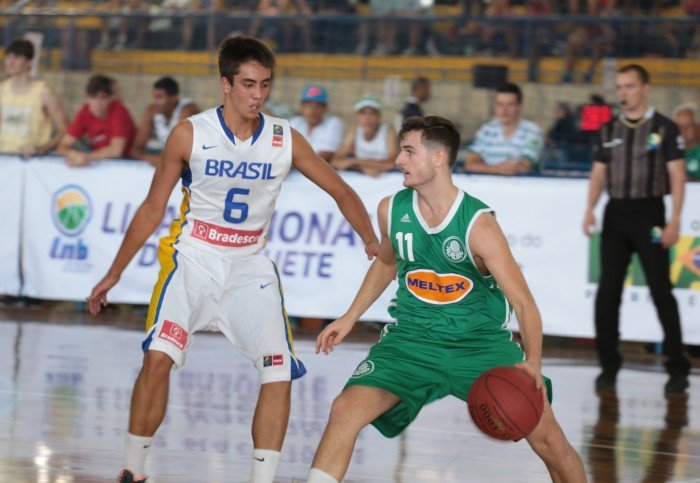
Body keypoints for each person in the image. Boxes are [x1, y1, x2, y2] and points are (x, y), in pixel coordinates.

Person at [86, 35, 379, 483]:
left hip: (249, 264)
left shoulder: (284, 137)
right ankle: (133, 469)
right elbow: (151, 209)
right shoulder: (190, 133)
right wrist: (113, 273)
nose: (257, 94)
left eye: (264, 84)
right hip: (194, 257)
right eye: (247, 84)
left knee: (279, 369)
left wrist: (370, 239)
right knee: (158, 357)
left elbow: (340, 189)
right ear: (226, 84)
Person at [306, 115, 586, 483]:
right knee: (344, 409)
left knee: (551, 442)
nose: (398, 161)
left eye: (408, 151)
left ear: (438, 158)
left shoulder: (478, 224)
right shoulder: (392, 208)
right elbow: (387, 262)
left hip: (478, 346)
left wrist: (532, 363)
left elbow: (524, 305)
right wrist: (349, 316)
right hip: (411, 342)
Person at [582, 64, 690, 394]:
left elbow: (677, 175)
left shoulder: (665, 128)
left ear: (645, 88)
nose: (623, 93)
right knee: (608, 292)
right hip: (616, 213)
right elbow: (599, 174)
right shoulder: (608, 129)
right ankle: (608, 365)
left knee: (660, 289)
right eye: (619, 87)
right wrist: (589, 208)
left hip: (651, 214)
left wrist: (674, 220)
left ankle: (677, 366)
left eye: (629, 86)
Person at [0, 38, 68, 156]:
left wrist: (40, 149)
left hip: (32, 163)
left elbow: (65, 130)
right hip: (4, 160)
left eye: (16, 58)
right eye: (8, 57)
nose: (10, 62)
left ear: (29, 62)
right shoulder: (2, 89)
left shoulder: (44, 92)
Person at [463, 83, 543, 175]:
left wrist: (484, 167)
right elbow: (469, 164)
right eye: (500, 104)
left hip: (522, 187)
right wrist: (497, 169)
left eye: (510, 104)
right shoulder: (486, 130)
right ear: (495, 106)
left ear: (520, 106)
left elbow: (524, 167)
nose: (504, 110)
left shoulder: (532, 130)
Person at [58, 74, 136, 166]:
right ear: (87, 99)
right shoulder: (84, 112)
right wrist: (72, 154)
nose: (98, 103)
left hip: (127, 164)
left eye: (103, 98)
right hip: (101, 163)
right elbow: (63, 146)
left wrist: (85, 157)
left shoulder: (119, 111)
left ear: (110, 99)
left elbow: (116, 151)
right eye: (93, 97)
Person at [131, 76, 200, 165]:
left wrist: (157, 159)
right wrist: (150, 158)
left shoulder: (187, 110)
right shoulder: (152, 110)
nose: (154, 102)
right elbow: (136, 148)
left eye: (159, 97)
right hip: (163, 155)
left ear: (173, 98)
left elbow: (183, 150)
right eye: (154, 97)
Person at [331, 93, 398, 176]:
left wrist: (355, 161)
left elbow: (391, 164)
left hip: (387, 176)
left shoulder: (388, 131)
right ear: (357, 116)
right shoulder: (353, 130)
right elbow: (335, 161)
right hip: (364, 174)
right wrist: (364, 167)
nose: (367, 118)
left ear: (379, 116)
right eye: (363, 113)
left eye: (372, 113)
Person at [290, 84, 345, 162]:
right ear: (302, 106)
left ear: (325, 108)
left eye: (318, 106)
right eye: (309, 105)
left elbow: (324, 157)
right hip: (292, 169)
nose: (313, 110)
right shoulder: (295, 122)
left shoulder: (333, 123)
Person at [673, 103, 700, 181]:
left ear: (697, 127)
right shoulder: (668, 151)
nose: (683, 130)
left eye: (688, 125)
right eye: (679, 126)